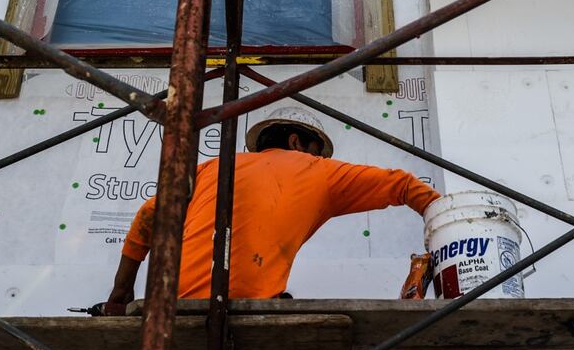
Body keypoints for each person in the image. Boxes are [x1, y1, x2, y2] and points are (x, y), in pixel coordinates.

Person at [108, 106, 438, 303]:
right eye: (317, 151)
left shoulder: (212, 167)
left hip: (173, 308)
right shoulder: (315, 170)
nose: (321, 159)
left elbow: (148, 216)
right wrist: (449, 226)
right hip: (248, 310)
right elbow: (403, 184)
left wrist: (120, 293)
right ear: (296, 142)